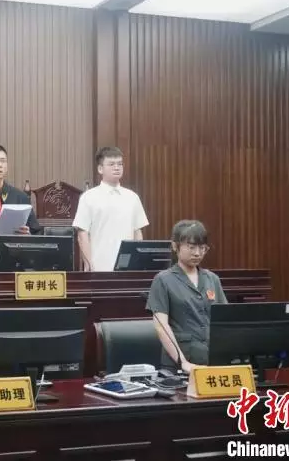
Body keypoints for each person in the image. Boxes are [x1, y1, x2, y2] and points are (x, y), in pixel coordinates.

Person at [145, 220, 227, 373]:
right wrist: (183, 362)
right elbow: (161, 326)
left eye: (202, 248)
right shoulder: (163, 280)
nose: (197, 253)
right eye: (191, 247)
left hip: (212, 362)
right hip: (178, 367)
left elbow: (225, 321)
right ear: (175, 246)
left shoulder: (212, 279)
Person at [72, 146, 149, 271]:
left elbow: (137, 232)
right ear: (100, 169)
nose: (117, 167)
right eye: (111, 164)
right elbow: (82, 233)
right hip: (99, 266)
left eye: (120, 164)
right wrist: (89, 263)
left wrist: (137, 261)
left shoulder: (132, 197)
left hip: (128, 268)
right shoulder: (88, 197)